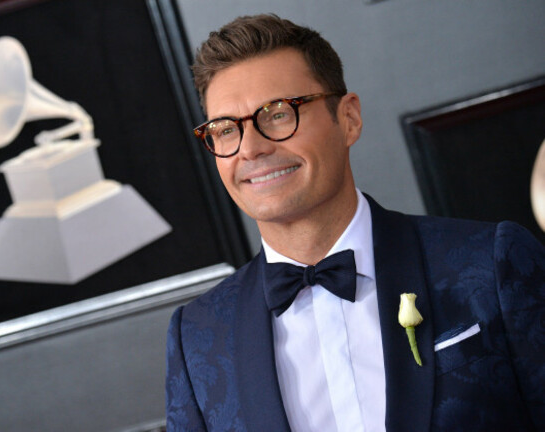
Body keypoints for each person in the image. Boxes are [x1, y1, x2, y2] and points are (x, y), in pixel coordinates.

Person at [165, 14, 545, 432]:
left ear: (348, 119)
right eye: (224, 130)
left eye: (276, 114)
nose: (250, 149)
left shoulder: (492, 262)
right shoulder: (196, 335)